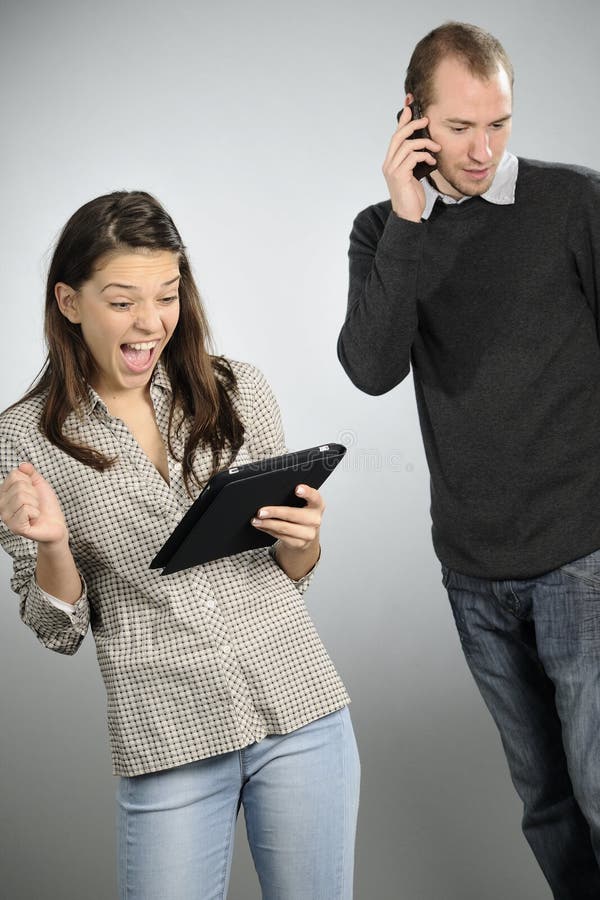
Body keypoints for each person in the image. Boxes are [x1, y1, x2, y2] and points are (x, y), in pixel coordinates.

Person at [0, 190, 359, 900]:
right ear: (69, 303)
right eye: (122, 301)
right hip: (169, 734)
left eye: (167, 295)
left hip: (300, 708)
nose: (151, 322)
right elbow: (54, 630)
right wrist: (52, 545)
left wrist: (303, 539)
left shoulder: (237, 389)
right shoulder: (21, 440)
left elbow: (288, 575)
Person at [338, 20, 600, 900]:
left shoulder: (574, 203)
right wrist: (410, 224)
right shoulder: (382, 233)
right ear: (411, 119)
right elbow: (371, 370)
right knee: (546, 803)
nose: (484, 149)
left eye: (500, 124)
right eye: (460, 128)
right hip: (475, 575)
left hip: (583, 557)